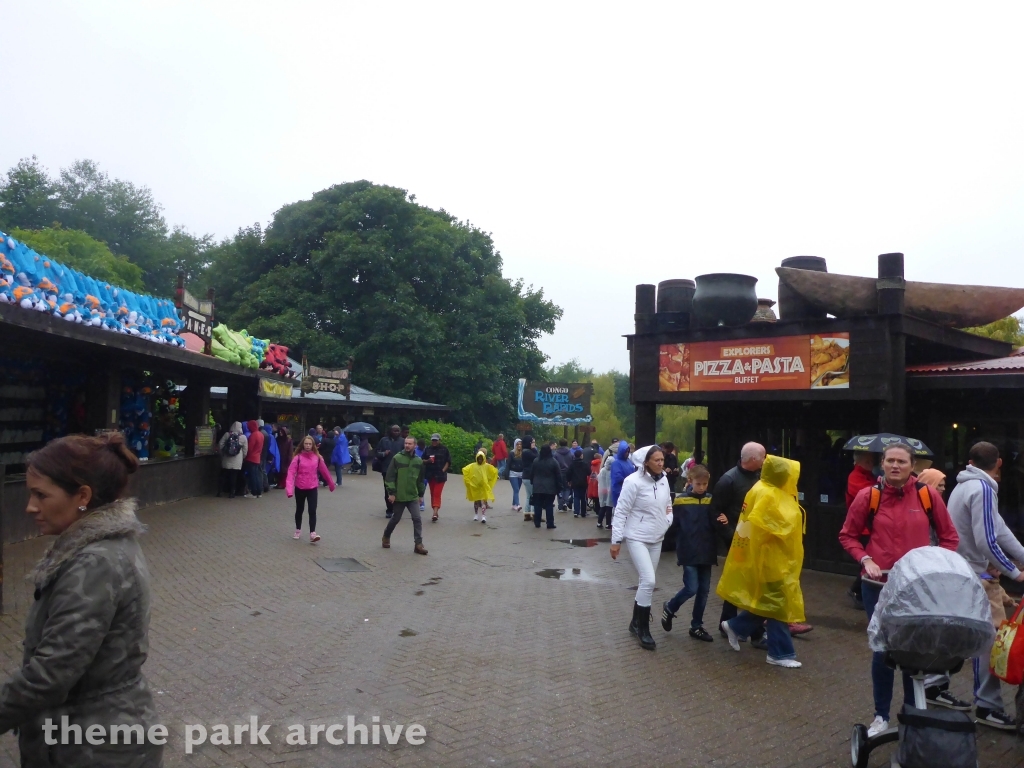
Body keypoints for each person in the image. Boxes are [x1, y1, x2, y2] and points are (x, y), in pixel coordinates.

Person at [0, 433, 162, 766]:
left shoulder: (94, 562)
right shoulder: (107, 547)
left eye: (40, 495)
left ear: (82, 496)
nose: (31, 507)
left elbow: (50, 674)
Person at [839, 442, 959, 738]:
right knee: (883, 650)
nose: (895, 466)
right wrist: (865, 559)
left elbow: (949, 538)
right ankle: (880, 716)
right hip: (878, 586)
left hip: (916, 587)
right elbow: (848, 535)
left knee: (913, 650)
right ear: (882, 464)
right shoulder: (870, 496)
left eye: (901, 462)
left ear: (912, 466)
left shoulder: (927, 495)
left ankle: (912, 712)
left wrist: (934, 566)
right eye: (890, 461)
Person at [946, 441, 1024, 731]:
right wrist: (1015, 573)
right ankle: (988, 707)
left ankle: (932, 686)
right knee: (989, 641)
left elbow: (999, 529)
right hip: (976, 577)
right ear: (999, 463)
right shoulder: (981, 489)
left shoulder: (964, 486)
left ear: (970, 461)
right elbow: (987, 540)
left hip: (961, 572)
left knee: (959, 634)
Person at [718, 455, 806, 669]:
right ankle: (780, 652)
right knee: (778, 604)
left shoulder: (762, 488)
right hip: (771, 559)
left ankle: (736, 626)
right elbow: (774, 526)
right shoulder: (769, 493)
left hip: (769, 557)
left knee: (769, 602)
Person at [610, 445, 673, 650]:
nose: (661, 463)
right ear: (645, 462)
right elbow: (620, 512)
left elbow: (668, 504)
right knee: (649, 580)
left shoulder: (663, 479)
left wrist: (667, 521)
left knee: (645, 582)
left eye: (662, 460)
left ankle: (635, 622)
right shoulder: (633, 482)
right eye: (656, 460)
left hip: (657, 537)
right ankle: (643, 629)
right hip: (637, 537)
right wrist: (616, 541)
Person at [661, 464, 721, 642]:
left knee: (704, 591)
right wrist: (664, 544)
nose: (702, 487)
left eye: (704, 484)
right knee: (691, 588)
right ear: (690, 482)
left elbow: (716, 523)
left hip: (707, 551)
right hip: (688, 551)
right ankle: (670, 607)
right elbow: (673, 526)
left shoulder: (712, 500)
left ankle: (696, 626)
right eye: (698, 484)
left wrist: (723, 520)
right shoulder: (681, 501)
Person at [712, 442, 766, 637]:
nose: (765, 460)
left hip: (755, 538)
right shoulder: (728, 481)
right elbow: (716, 512)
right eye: (763, 456)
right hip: (738, 540)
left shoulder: (761, 477)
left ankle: (732, 625)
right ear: (752, 459)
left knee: (747, 582)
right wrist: (732, 537)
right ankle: (751, 630)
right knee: (742, 582)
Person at [382, 436, 428, 554]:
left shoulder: (418, 461)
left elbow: (420, 479)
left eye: (410, 444)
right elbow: (390, 477)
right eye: (406, 443)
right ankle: (386, 536)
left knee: (417, 518)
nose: (407, 445)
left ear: (415, 445)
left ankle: (418, 544)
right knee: (396, 518)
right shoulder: (397, 458)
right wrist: (391, 493)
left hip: (412, 496)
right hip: (399, 495)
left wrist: (421, 494)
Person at [845, 451, 879, 608]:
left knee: (868, 562)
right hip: (863, 528)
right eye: (867, 461)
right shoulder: (855, 476)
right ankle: (856, 591)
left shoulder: (868, 475)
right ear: (858, 462)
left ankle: (857, 591)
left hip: (870, 527)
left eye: (871, 461)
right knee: (867, 562)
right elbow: (868, 494)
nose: (871, 464)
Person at [286, 435, 335, 542]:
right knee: (299, 509)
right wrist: (289, 490)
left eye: (309, 444)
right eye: (306, 444)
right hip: (300, 487)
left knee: (312, 510)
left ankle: (313, 533)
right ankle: (298, 530)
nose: (308, 446)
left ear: (313, 445)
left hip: (312, 487)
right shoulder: (297, 458)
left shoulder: (317, 458)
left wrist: (331, 484)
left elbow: (325, 471)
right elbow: (290, 473)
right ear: (302, 445)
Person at [530, 444, 564, 529]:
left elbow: (532, 473)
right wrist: (559, 486)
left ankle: (537, 522)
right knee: (549, 505)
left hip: (537, 486)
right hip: (550, 487)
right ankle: (550, 523)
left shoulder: (536, 461)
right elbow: (558, 475)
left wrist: (532, 482)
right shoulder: (553, 461)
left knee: (537, 504)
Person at [464, 449, 499, 523]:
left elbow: (493, 471)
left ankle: (483, 516)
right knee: (476, 501)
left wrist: (495, 476)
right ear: (477, 458)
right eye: (478, 458)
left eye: (481, 458)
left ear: (483, 458)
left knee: (484, 501)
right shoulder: (473, 466)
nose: (480, 460)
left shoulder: (486, 466)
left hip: (483, 486)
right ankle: (476, 514)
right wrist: (469, 481)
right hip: (475, 486)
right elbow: (465, 470)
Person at [422, 433, 451, 522]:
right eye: (433, 440)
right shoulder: (428, 449)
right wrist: (428, 461)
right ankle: (435, 510)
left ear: (439, 440)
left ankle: (434, 513)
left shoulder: (444, 449)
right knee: (432, 493)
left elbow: (448, 461)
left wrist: (443, 470)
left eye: (436, 440)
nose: (434, 442)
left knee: (436, 493)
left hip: (440, 475)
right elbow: (422, 460)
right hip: (430, 474)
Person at [377, 425, 404, 518]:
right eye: (394, 431)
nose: (396, 432)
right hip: (386, 469)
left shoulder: (403, 441)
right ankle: (389, 509)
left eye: (398, 431)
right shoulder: (384, 440)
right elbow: (377, 453)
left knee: (398, 490)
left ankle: (396, 509)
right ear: (390, 431)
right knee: (388, 490)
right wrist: (384, 453)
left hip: (400, 469)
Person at [217, 420, 247, 498]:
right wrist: (242, 458)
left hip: (226, 459)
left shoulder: (227, 434)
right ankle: (232, 493)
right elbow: (245, 450)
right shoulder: (243, 437)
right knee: (233, 477)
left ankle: (219, 492)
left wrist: (222, 453)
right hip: (237, 461)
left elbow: (220, 444)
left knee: (223, 475)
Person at [609, 441, 635, 509]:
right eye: (625, 452)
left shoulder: (629, 462)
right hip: (619, 491)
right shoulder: (616, 463)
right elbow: (617, 478)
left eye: (628, 452)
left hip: (629, 490)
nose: (627, 453)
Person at [243, 419, 264, 498]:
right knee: (257, 475)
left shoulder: (253, 435)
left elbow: (250, 448)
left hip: (251, 458)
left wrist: (246, 456)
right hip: (257, 457)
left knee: (252, 476)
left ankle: (253, 492)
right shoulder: (261, 434)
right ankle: (259, 492)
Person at [596, 445, 615, 529]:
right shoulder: (613, 471)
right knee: (609, 507)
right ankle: (608, 524)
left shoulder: (603, 470)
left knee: (602, 506)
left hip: (602, 490)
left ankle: (599, 522)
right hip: (610, 490)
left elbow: (598, 478)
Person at [568, 448, 590, 517]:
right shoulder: (585, 464)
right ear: (581, 456)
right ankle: (583, 512)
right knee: (583, 497)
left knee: (576, 497)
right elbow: (589, 472)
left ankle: (576, 512)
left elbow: (568, 473)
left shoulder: (572, 464)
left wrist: (569, 480)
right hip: (583, 482)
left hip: (575, 482)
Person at [553, 439, 574, 511]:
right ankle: (566, 502)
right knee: (567, 488)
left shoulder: (556, 453)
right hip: (568, 472)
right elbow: (572, 462)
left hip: (559, 472)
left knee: (559, 488)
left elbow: (554, 463)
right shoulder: (570, 453)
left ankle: (560, 504)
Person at [520, 437, 538, 522]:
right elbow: (537, 457)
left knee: (529, 496)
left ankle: (527, 513)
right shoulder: (528, 452)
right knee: (534, 495)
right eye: (533, 442)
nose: (534, 444)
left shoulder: (525, 451)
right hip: (530, 476)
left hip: (526, 476)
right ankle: (534, 514)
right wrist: (534, 449)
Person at [507, 438, 525, 512]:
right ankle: (518, 505)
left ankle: (513, 504)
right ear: (515, 445)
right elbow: (508, 463)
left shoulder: (523, 453)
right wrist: (506, 473)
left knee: (517, 490)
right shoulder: (512, 453)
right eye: (517, 444)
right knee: (516, 489)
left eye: (520, 444)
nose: (519, 446)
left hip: (521, 473)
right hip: (513, 473)